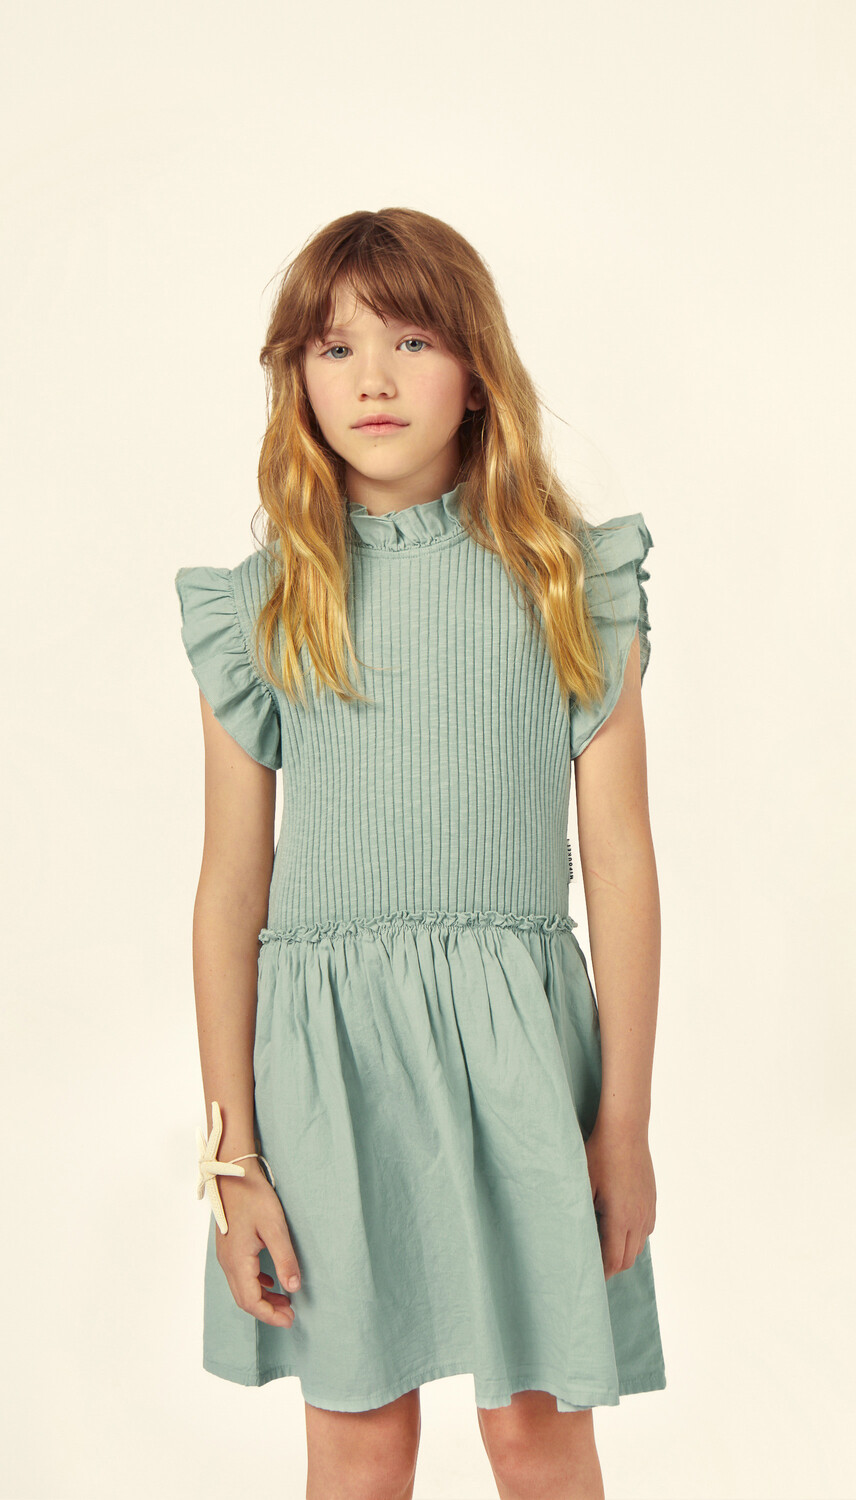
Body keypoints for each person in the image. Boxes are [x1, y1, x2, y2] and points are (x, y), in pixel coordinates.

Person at [175, 206, 666, 1500]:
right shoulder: (265, 607)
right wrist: (233, 1161)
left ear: (477, 369)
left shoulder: (565, 582)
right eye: (335, 349)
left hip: (522, 1063)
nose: (375, 379)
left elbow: (621, 863)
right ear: (298, 379)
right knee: (358, 1440)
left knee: (537, 1434)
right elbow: (231, 890)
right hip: (329, 1076)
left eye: (412, 339)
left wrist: (622, 1126)